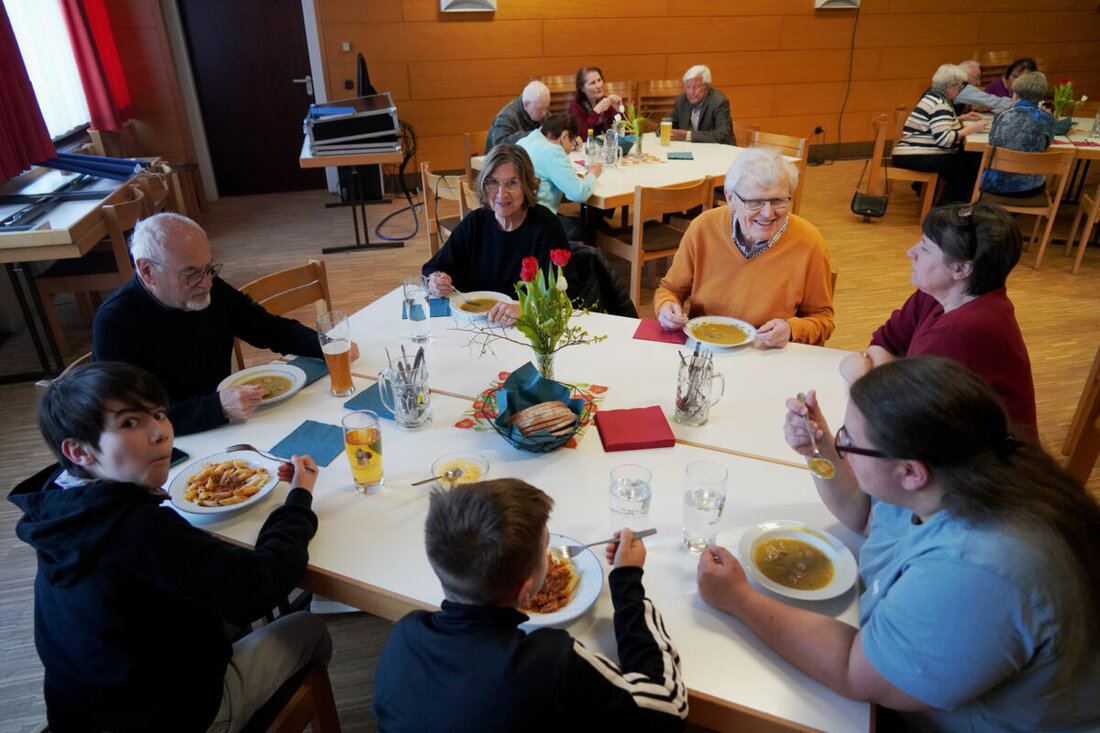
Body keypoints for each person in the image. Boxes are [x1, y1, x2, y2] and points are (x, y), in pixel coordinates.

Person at [699, 356, 1100, 732]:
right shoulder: (962, 473)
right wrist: (820, 450)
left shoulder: (977, 566)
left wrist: (739, 599)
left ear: (911, 472)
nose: (841, 446)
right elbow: (867, 518)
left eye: (849, 441)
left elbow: (856, 672)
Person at [9, 361, 331, 732]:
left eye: (159, 414)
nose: (160, 433)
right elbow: (259, 588)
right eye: (130, 423)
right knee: (310, 629)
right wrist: (300, 498)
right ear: (79, 452)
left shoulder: (58, 504)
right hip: (168, 716)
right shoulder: (137, 528)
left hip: (84, 710)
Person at [372, 478, 688, 731]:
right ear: (527, 593)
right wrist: (627, 580)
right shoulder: (551, 661)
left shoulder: (403, 635)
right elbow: (669, 707)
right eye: (545, 547)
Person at [92, 212, 358, 436]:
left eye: (209, 268)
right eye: (191, 274)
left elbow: (267, 328)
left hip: (230, 425)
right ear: (148, 271)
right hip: (172, 444)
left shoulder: (209, 288)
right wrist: (215, 407)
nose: (207, 282)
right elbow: (130, 421)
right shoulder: (115, 323)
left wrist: (325, 346)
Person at [840, 202, 1037, 436]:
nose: (910, 252)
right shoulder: (938, 293)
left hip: (981, 464)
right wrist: (886, 387)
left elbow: (899, 422)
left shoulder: (962, 330)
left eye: (924, 248)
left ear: (961, 269)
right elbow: (885, 341)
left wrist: (860, 378)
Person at [654, 146, 834, 348]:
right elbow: (671, 290)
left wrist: (791, 329)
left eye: (778, 200)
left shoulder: (809, 242)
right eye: (755, 202)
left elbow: (823, 320)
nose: (767, 213)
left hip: (767, 353)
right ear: (730, 198)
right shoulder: (703, 228)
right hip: (707, 349)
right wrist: (667, 307)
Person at [423, 144, 569, 325]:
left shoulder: (546, 226)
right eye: (492, 182)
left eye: (512, 183)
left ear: (527, 185)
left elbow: (562, 294)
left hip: (527, 330)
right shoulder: (476, 222)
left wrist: (527, 308)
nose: (501, 193)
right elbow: (434, 267)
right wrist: (437, 281)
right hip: (474, 326)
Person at [891, 64, 990, 204]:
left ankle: (945, 206)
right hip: (915, 155)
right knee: (966, 168)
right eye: (960, 87)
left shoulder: (934, 97)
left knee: (968, 161)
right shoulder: (940, 103)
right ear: (950, 87)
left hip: (912, 151)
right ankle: (944, 210)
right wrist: (972, 129)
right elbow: (944, 140)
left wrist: (961, 119)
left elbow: (937, 124)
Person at [517, 113, 602, 246]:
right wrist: (592, 174)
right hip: (535, 223)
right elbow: (578, 193)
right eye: (572, 143)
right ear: (565, 136)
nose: (569, 150)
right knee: (584, 228)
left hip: (517, 216)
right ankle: (571, 263)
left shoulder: (523, 142)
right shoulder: (553, 151)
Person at [980, 71, 1054, 197]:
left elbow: (992, 144)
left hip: (995, 184)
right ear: (1040, 97)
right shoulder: (1047, 119)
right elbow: (1046, 145)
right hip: (1030, 188)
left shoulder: (1002, 115)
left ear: (1016, 95)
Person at [668, 65, 735, 145]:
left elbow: (721, 135)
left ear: (708, 86)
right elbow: (669, 122)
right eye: (688, 87)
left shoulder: (719, 102)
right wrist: (662, 129)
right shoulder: (682, 100)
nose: (691, 92)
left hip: (721, 152)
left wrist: (688, 136)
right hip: (695, 150)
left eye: (695, 87)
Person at [486, 80, 551, 152]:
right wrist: (534, 135)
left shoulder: (540, 110)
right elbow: (500, 146)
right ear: (526, 105)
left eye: (546, 108)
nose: (545, 113)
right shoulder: (506, 117)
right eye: (540, 109)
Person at [569, 66, 622, 140]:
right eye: (592, 83)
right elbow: (583, 138)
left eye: (599, 80)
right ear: (582, 88)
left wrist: (619, 110)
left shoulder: (606, 101)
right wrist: (596, 111)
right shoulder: (575, 107)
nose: (598, 86)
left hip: (607, 147)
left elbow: (626, 133)